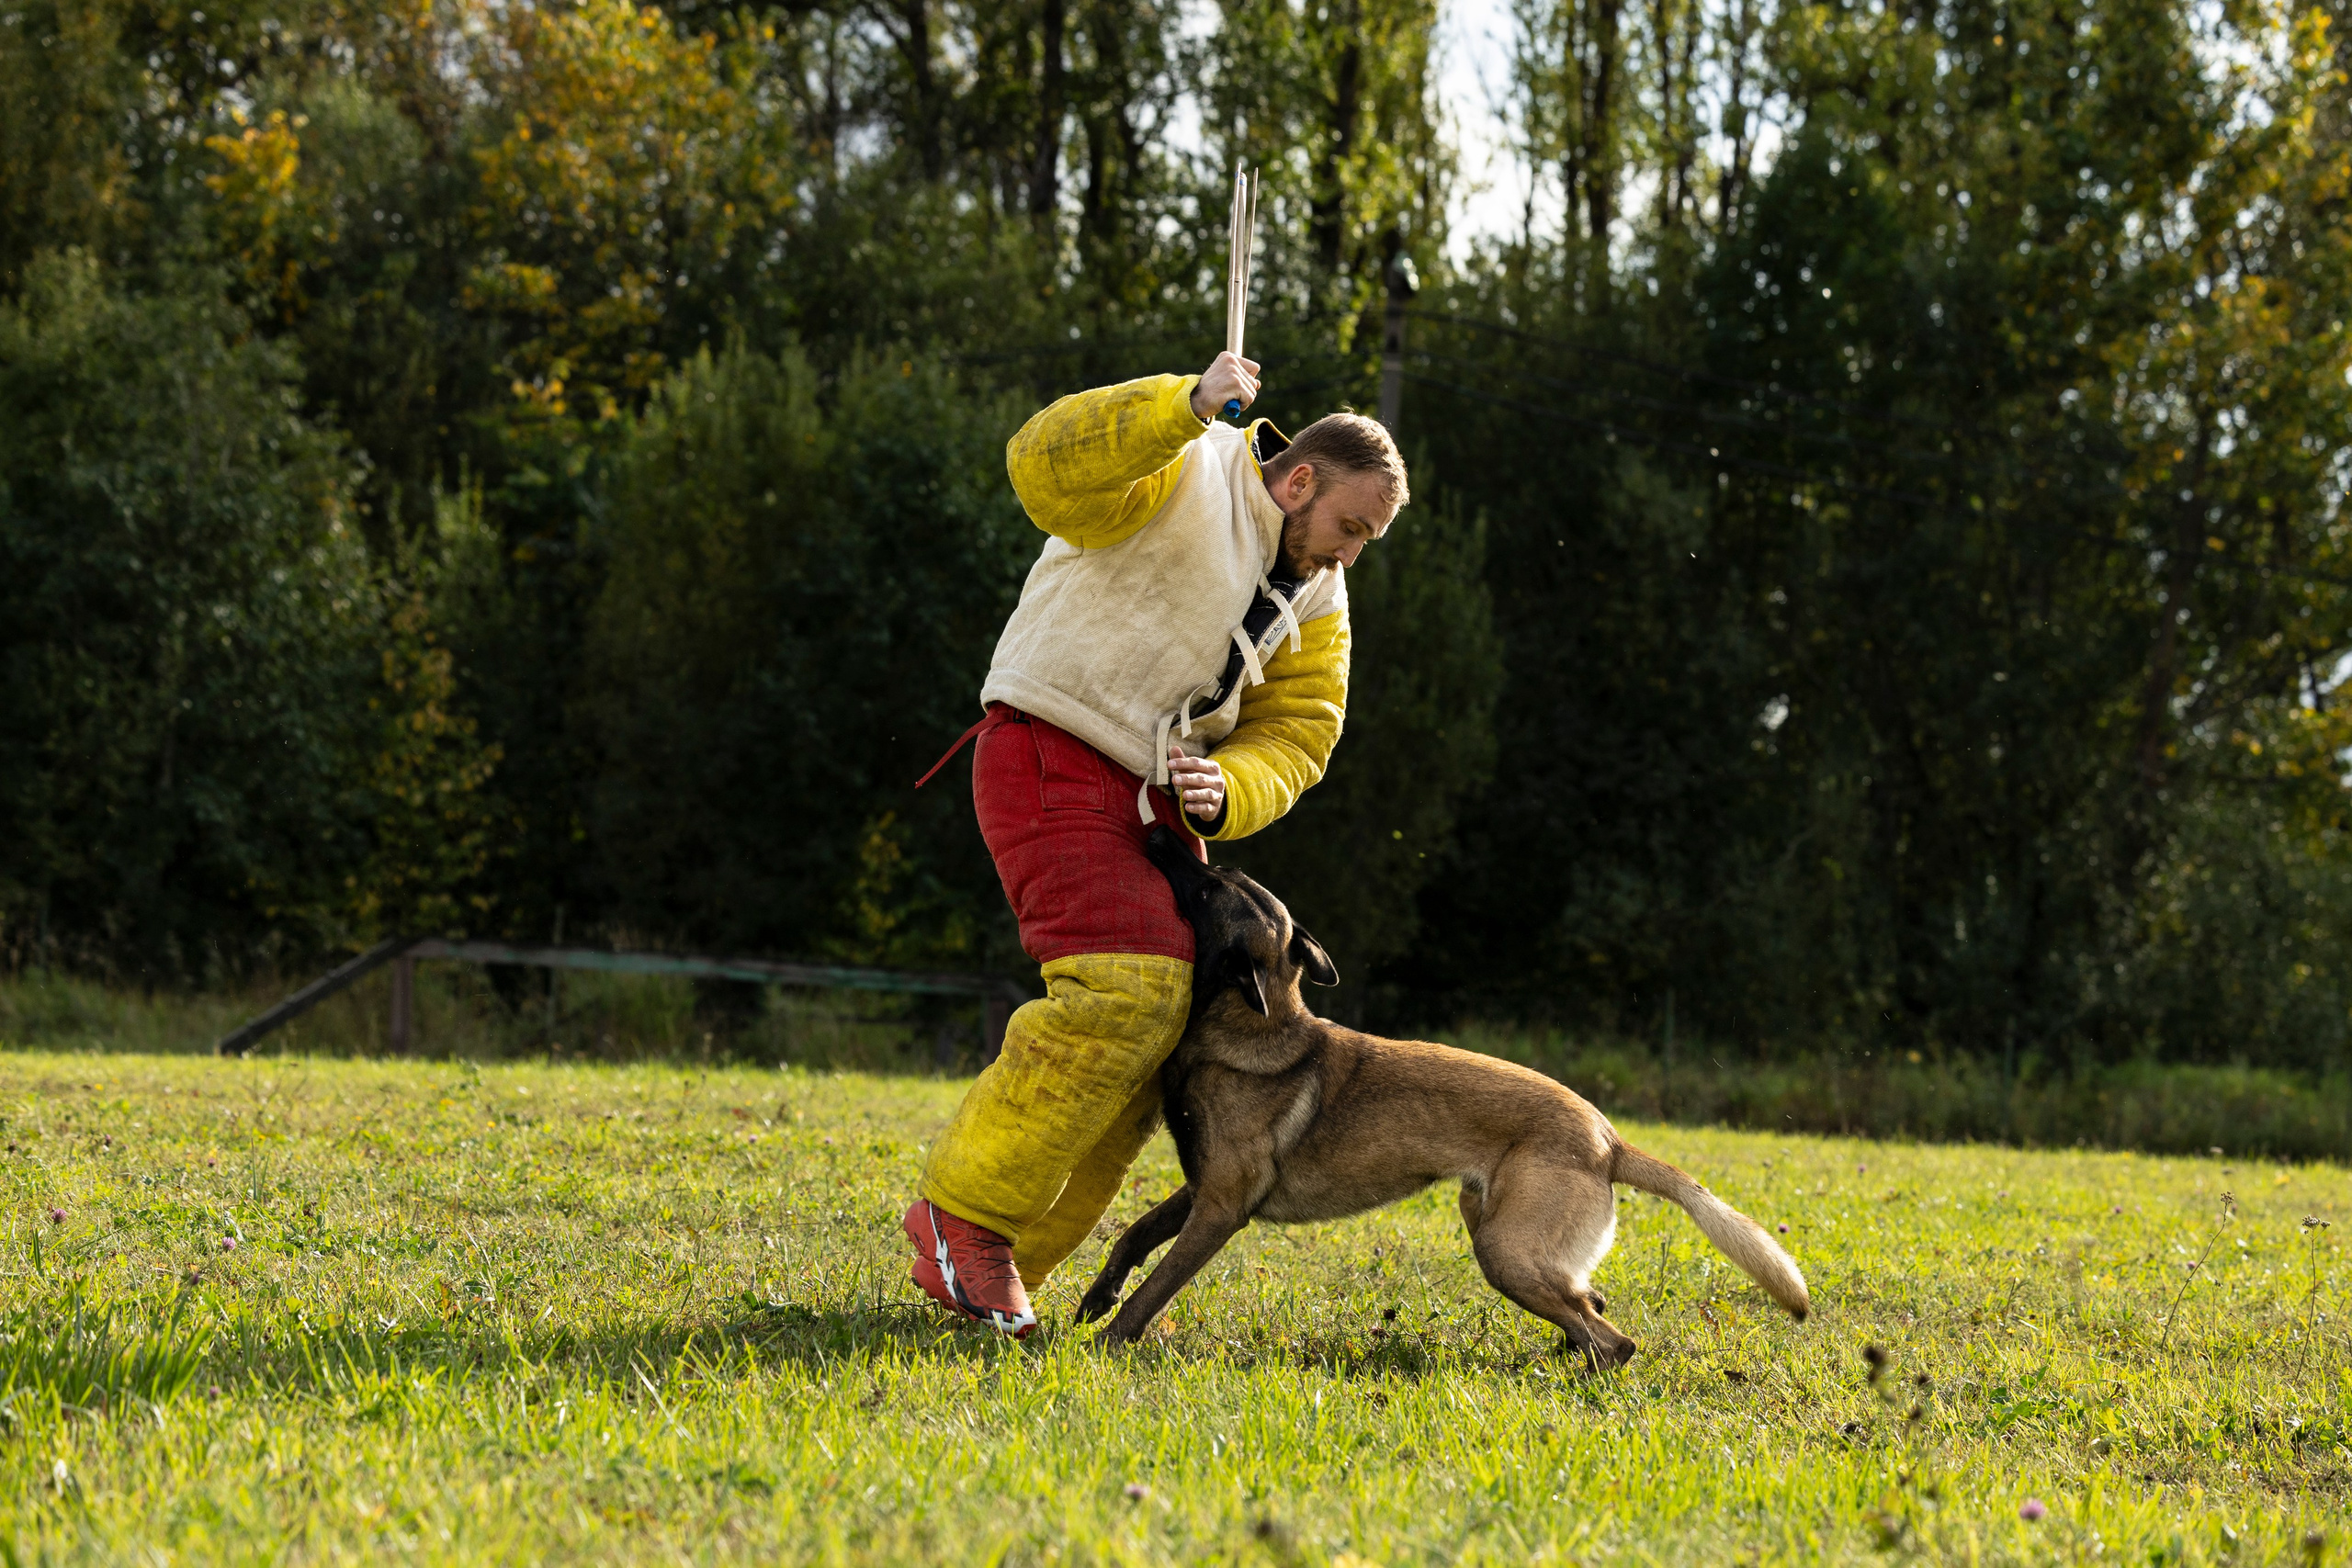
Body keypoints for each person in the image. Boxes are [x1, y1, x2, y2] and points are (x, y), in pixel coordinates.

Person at [900, 351, 1410, 1337]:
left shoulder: (1321, 597)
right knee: (1126, 992)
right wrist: (1178, 403)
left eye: (1369, 540)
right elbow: (1042, 465)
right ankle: (962, 1220)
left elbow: (1299, 735)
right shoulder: (1184, 461)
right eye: (1351, 527)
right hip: (1051, 742)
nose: (1351, 554)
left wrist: (1230, 789)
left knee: (1162, 1034)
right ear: (1298, 481)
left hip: (1160, 804)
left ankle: (998, 1276)